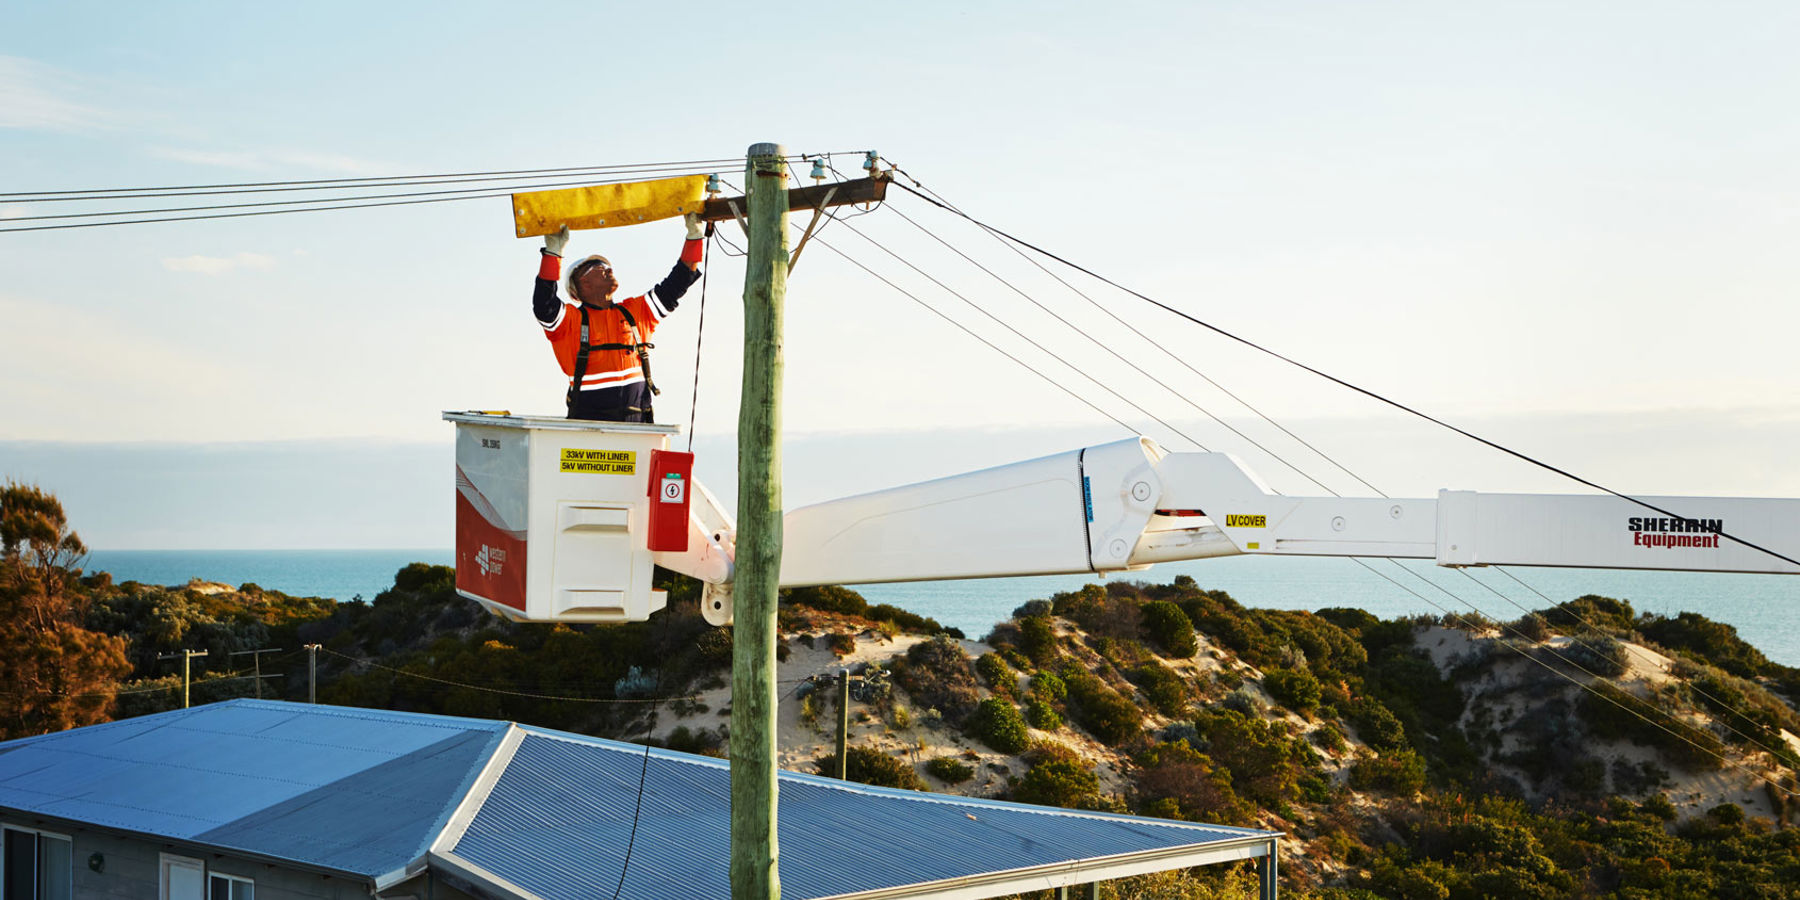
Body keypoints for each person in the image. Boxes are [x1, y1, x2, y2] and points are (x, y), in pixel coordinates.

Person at [533, 214, 705, 422]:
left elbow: (679, 281)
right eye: (599, 267)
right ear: (581, 284)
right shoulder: (570, 321)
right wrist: (553, 253)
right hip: (589, 428)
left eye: (607, 266)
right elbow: (544, 304)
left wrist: (694, 236)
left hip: (638, 424)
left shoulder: (636, 311)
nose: (609, 269)